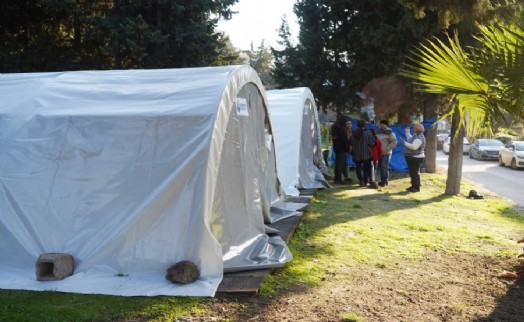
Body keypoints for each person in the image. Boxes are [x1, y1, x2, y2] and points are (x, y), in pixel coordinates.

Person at [350, 120, 376, 188]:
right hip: (366, 153)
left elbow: (351, 143)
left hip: (356, 153)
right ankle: (368, 181)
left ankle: (361, 181)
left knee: (358, 168)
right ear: (364, 125)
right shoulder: (368, 133)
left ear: (357, 125)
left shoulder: (353, 133)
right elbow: (372, 143)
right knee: (367, 168)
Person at [402, 123, 426, 192]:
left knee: (414, 172)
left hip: (416, 157)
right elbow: (410, 139)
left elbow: (413, 147)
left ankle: (416, 187)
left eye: (414, 128)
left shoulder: (420, 137)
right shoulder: (416, 135)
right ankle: (414, 186)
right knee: (413, 172)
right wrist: (407, 132)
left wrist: (404, 143)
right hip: (414, 157)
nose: (413, 129)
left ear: (417, 129)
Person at [376, 120, 398, 187]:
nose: (381, 125)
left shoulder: (390, 132)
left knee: (384, 167)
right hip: (379, 153)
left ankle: (385, 181)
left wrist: (387, 148)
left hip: (386, 153)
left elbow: (394, 142)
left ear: (386, 125)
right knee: (380, 167)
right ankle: (382, 180)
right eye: (380, 124)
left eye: (383, 124)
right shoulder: (378, 132)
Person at [330, 114, 350, 184]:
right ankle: (338, 179)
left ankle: (337, 178)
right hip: (342, 148)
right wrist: (347, 147)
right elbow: (343, 139)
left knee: (337, 163)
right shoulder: (340, 128)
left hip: (336, 147)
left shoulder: (333, 127)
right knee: (340, 164)